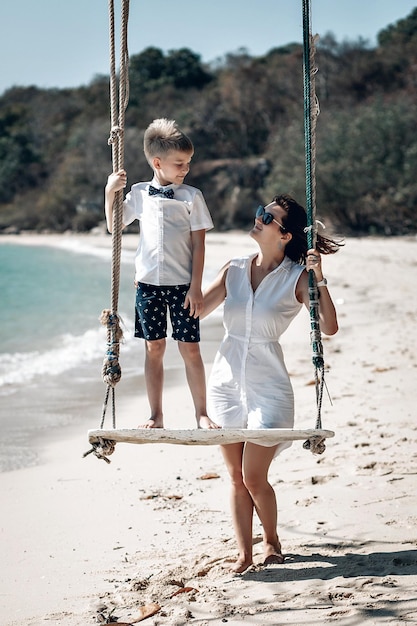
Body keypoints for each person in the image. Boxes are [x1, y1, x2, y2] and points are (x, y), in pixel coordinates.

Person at [201, 194, 342, 573]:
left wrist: (319, 277)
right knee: (235, 476)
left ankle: (272, 541)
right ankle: (245, 554)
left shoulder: (296, 279)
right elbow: (196, 308)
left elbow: (328, 326)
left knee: (253, 475)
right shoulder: (233, 269)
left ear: (285, 236)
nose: (258, 219)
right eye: (260, 213)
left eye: (268, 217)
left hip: (270, 389)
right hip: (226, 383)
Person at [105, 118, 219, 429]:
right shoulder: (140, 193)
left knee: (190, 349)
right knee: (154, 348)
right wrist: (109, 192)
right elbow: (115, 227)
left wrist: (196, 288)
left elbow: (199, 245)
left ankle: (201, 413)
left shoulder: (191, 196)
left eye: (188, 162)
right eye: (179, 163)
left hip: (183, 286)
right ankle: (156, 415)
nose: (186, 169)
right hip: (147, 287)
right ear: (158, 162)